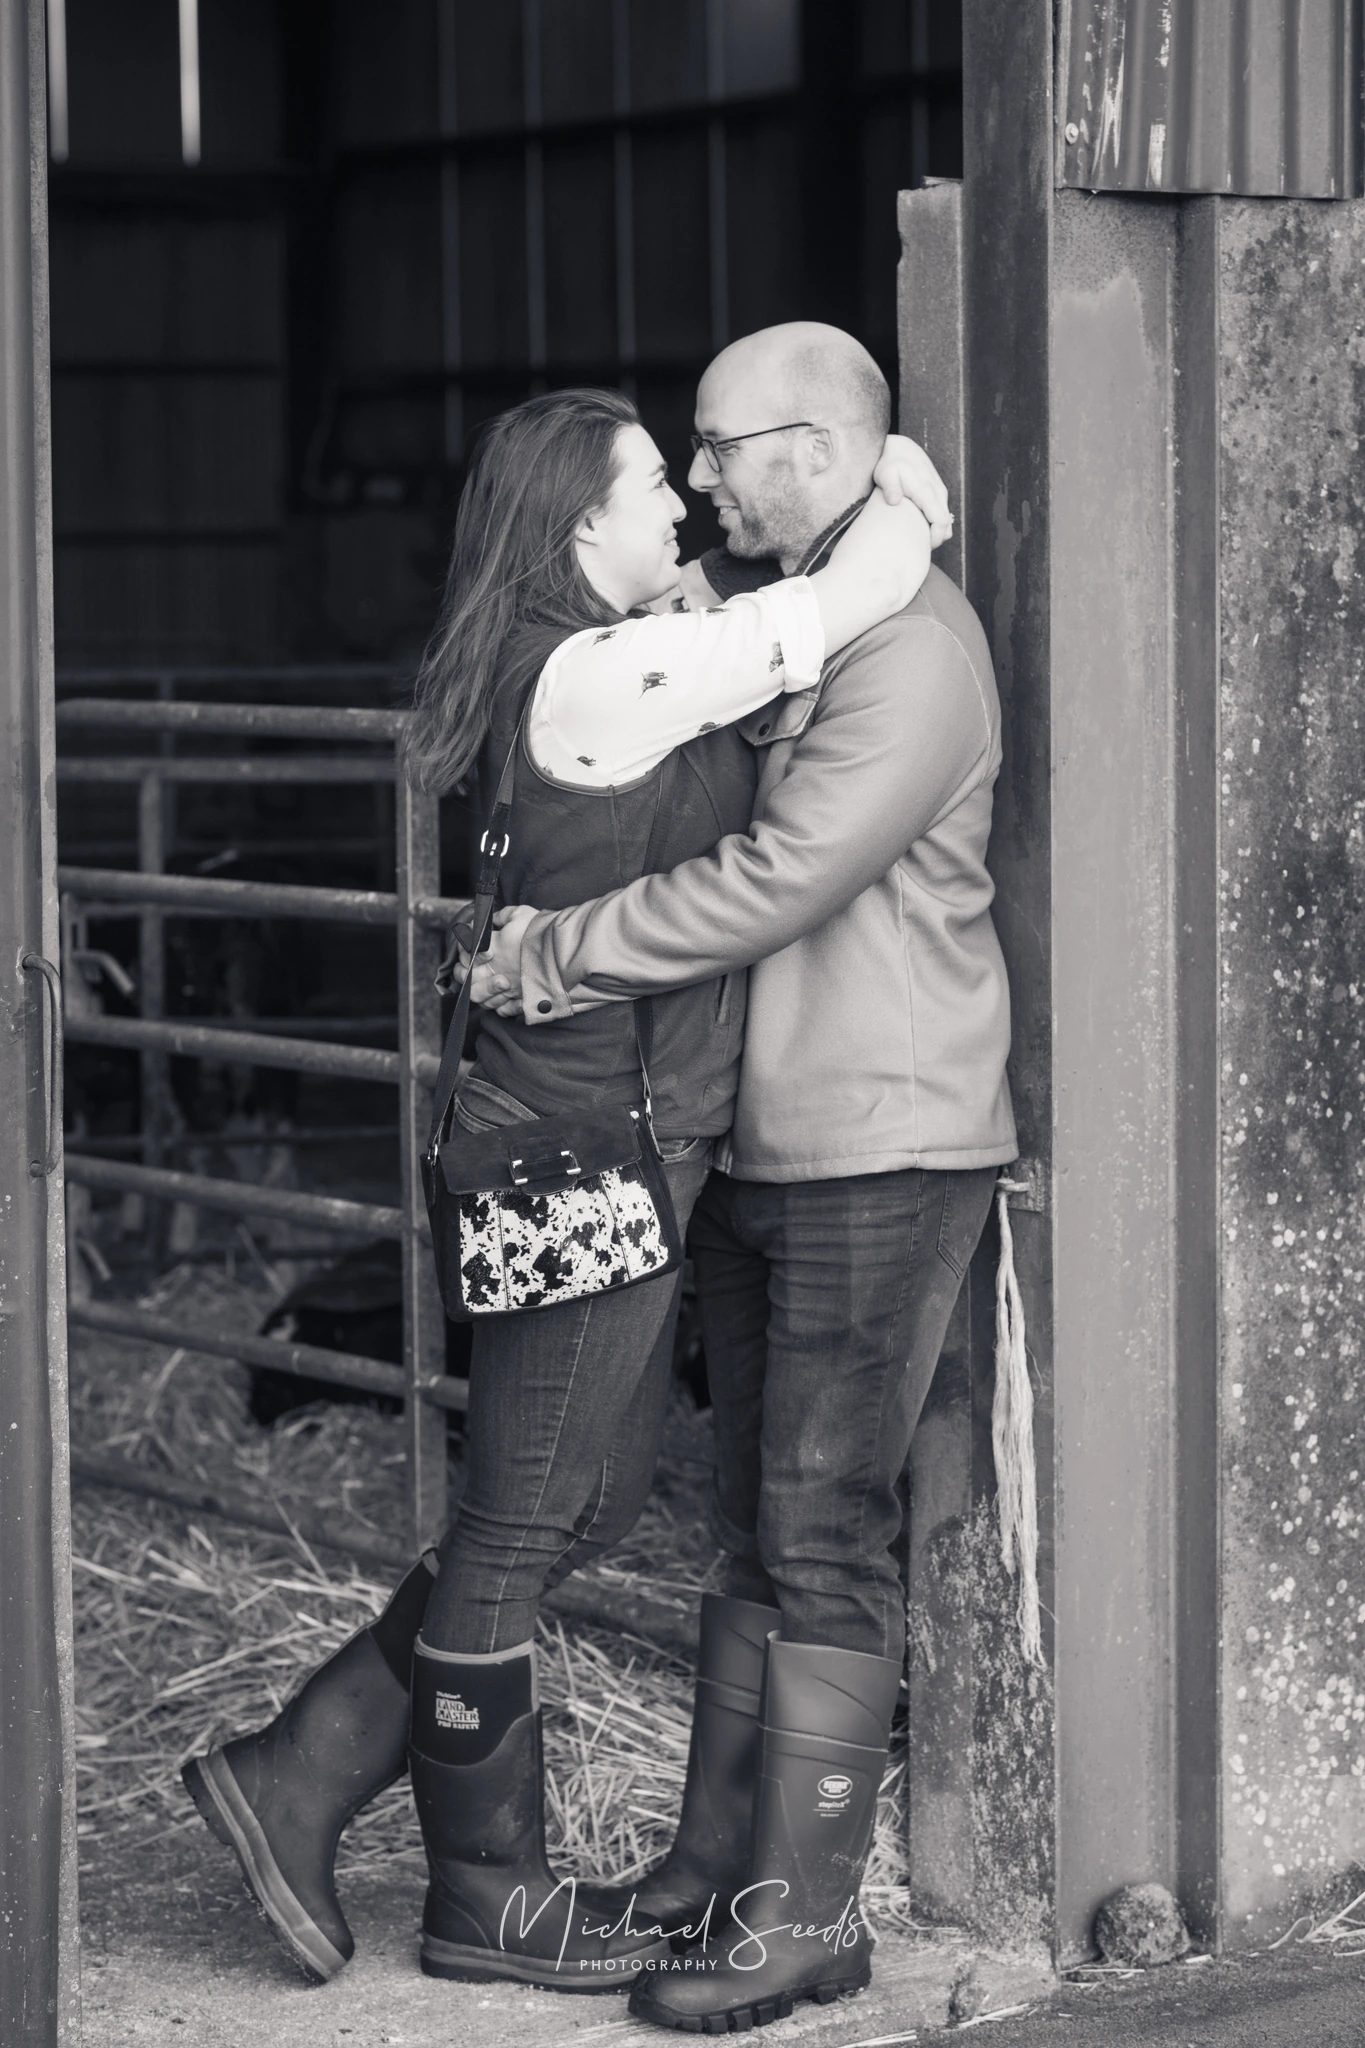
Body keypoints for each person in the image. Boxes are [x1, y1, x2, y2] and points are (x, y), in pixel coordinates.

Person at [179, 379, 946, 1995]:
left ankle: (297, 1770)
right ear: (576, 524)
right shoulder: (600, 676)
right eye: (651, 486)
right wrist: (905, 491)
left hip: (594, 1137)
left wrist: (692, 591)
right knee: (528, 1524)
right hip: (584, 1151)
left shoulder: (592, 659)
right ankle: (487, 1894)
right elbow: (847, 599)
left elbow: (720, 642)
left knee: (570, 1506)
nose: (679, 508)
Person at [465, 321, 1019, 2033]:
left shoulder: (913, 653)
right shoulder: (803, 615)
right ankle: (711, 1873)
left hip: (882, 1132)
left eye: (719, 447)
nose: (698, 483)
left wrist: (562, 950)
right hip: (772, 1142)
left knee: (825, 1523)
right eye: (682, 458)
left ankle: (804, 1917)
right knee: (751, 1528)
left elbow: (783, 874)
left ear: (815, 449)